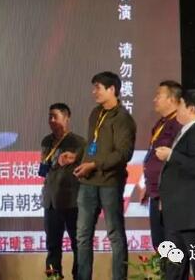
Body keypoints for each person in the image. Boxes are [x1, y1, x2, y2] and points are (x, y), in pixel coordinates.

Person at [74, 72, 136, 280]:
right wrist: (77, 158)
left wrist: (94, 165)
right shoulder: (95, 113)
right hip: (87, 182)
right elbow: (93, 145)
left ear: (112, 90)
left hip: (110, 183)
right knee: (82, 235)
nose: (94, 92)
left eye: (98, 88)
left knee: (115, 235)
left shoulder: (123, 119)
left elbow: (123, 154)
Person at [157, 89, 195, 280]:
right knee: (174, 265)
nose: (177, 109)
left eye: (181, 104)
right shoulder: (187, 130)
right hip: (178, 211)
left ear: (191, 108)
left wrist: (171, 155)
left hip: (191, 213)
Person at [40, 103, 86, 280]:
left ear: (66, 118)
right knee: (52, 247)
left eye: (55, 117)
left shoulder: (78, 142)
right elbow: (43, 169)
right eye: (49, 117)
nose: (52, 120)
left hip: (72, 202)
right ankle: (54, 277)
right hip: (51, 202)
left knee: (78, 246)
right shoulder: (46, 141)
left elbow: (85, 169)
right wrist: (55, 162)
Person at [141, 80, 183, 250]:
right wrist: (147, 184)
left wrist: (167, 193)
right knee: (159, 243)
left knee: (171, 244)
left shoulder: (179, 123)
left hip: (168, 194)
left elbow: (179, 162)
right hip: (155, 191)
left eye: (159, 95)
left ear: (172, 99)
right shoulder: (161, 123)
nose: (155, 99)